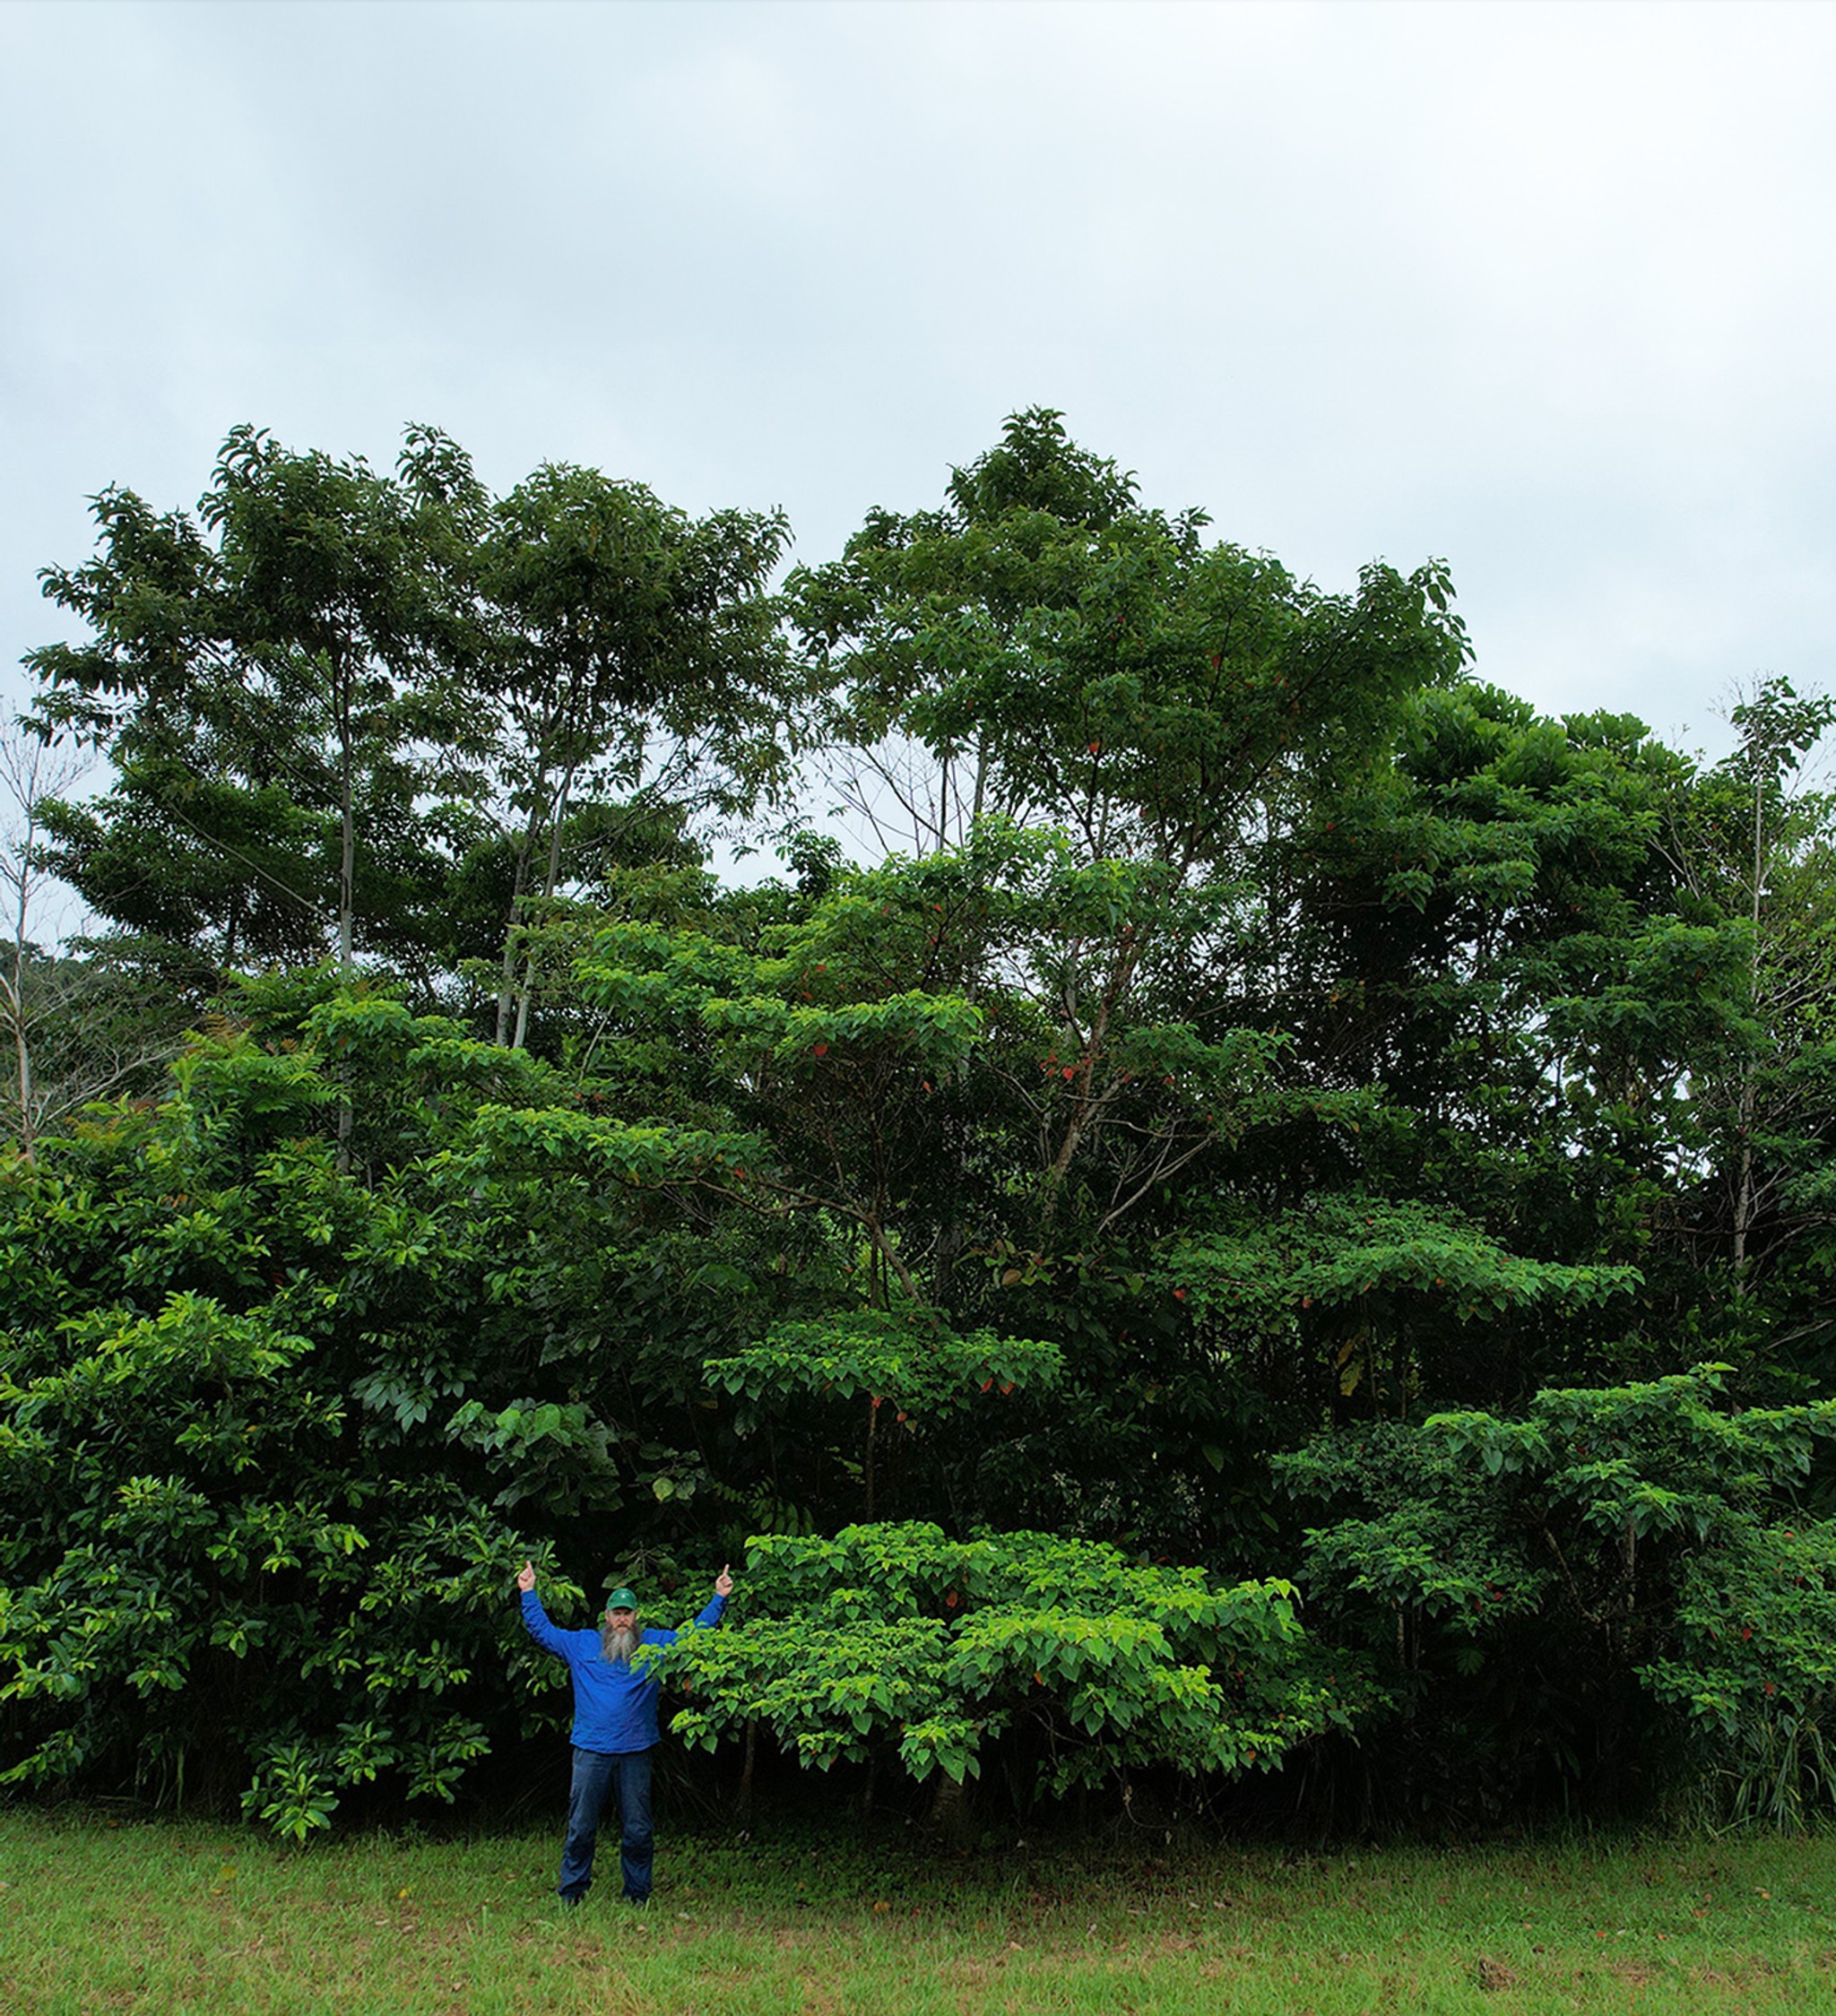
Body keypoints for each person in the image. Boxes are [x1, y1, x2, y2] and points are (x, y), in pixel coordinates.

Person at [516, 1558, 733, 1907]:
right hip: (590, 1751)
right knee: (581, 1827)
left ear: (635, 1618)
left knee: (637, 1830)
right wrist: (528, 1591)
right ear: (606, 1617)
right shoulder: (582, 1645)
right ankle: (572, 1893)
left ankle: (637, 1894)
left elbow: (693, 1637)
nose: (621, 1620)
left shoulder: (653, 1645)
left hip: (636, 1752)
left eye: (627, 1614)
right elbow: (544, 1632)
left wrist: (718, 1598)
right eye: (616, 1613)